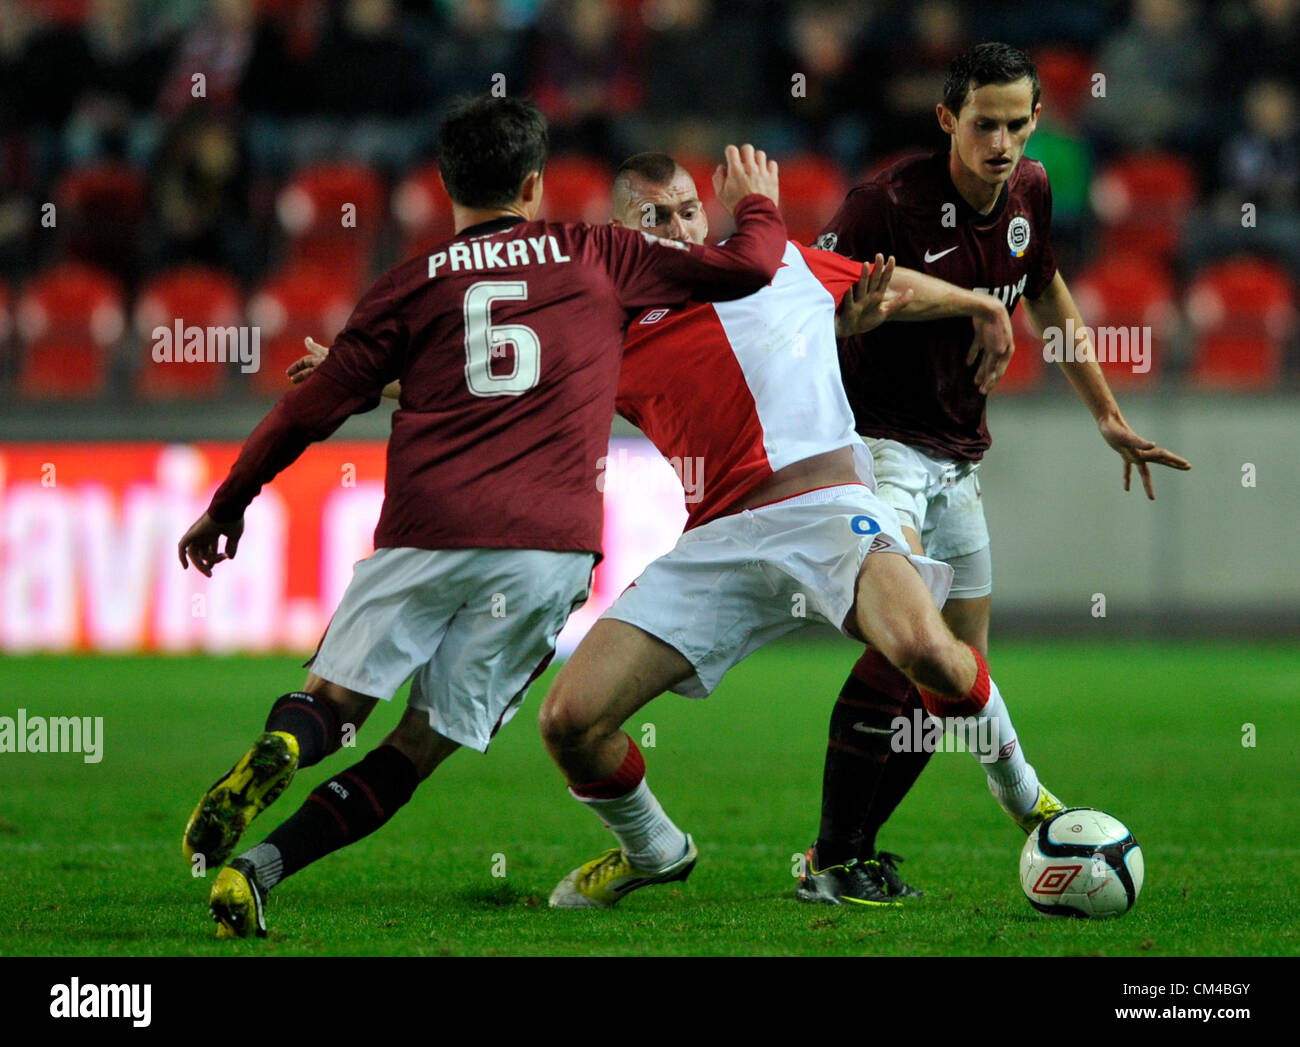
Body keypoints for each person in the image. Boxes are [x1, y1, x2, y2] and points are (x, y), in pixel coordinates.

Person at [176, 93, 787, 939]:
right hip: (545, 549)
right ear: (535, 181)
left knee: (334, 703)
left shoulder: (408, 286)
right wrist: (757, 203)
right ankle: (257, 870)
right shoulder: (599, 253)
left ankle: (287, 743)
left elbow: (307, 410)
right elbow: (751, 265)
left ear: (442, 183)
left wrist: (228, 504)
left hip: (424, 531)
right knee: (417, 745)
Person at [538, 152, 1064, 909]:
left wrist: (977, 305)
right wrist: (359, 372)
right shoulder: (602, 330)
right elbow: (496, 374)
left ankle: (1029, 801)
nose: (680, 225)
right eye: (656, 216)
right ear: (621, 231)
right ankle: (652, 848)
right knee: (568, 721)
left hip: (829, 509)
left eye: (688, 208)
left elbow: (894, 288)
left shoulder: (781, 264)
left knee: (925, 647)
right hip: (718, 536)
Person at [801, 42, 1191, 903]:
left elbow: (1045, 291)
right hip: (878, 452)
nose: (1003, 141)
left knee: (958, 671)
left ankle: (852, 850)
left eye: (1019, 123)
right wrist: (960, 303)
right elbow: (827, 289)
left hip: (956, 457)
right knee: (911, 648)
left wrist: (1106, 413)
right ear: (947, 118)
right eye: (985, 123)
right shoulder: (886, 202)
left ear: (1037, 122)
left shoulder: (1031, 193)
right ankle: (835, 858)